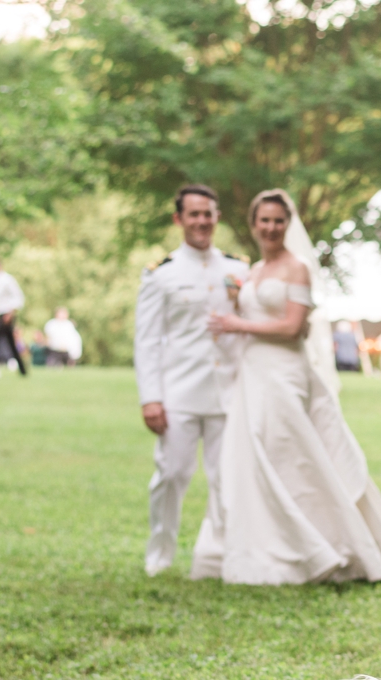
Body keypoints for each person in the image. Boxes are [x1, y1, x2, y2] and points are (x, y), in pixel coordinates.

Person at [203, 187, 381, 585]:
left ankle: (329, 546)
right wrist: (237, 304)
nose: (271, 228)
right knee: (256, 457)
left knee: (296, 456)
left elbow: (293, 327)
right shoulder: (251, 272)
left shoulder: (297, 267)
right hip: (252, 375)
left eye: (278, 221)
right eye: (264, 221)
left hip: (285, 373)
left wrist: (239, 324)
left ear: (288, 224)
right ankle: (269, 548)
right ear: (253, 225)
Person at [134, 183, 252, 577]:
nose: (202, 221)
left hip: (229, 393)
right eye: (194, 214)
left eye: (208, 214)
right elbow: (148, 340)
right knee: (172, 474)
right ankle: (160, 553)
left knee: (227, 478)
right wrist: (151, 397)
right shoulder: (161, 275)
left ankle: (223, 555)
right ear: (179, 219)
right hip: (179, 392)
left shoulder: (238, 269)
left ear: (217, 217)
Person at [0, 259, 27, 376]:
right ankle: (23, 370)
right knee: (11, 344)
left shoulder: (7, 280)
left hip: (6, 315)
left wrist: (10, 314)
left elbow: (18, 297)